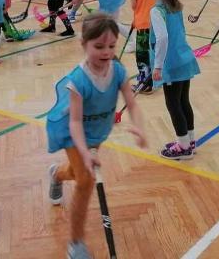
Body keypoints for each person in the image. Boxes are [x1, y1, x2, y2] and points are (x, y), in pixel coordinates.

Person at [46, 13, 147, 259]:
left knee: (78, 172)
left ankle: (57, 173)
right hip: (72, 132)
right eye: (99, 46)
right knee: (85, 182)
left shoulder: (118, 71)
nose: (106, 52)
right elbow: (75, 122)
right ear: (84, 44)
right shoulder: (78, 80)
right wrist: (85, 152)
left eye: (112, 46)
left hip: (97, 132)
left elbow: (133, 104)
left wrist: (139, 127)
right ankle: (76, 244)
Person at [148, 0, 201, 160]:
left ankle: (183, 146)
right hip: (185, 59)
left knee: (173, 104)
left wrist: (158, 66)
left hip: (172, 65)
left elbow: (162, 38)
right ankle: (190, 140)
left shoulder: (157, 11)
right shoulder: (176, 6)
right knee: (183, 101)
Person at [126, 0, 154, 93]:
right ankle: (152, 80)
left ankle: (145, 84)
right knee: (152, 52)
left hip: (143, 24)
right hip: (155, 22)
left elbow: (134, 5)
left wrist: (137, 16)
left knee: (142, 55)